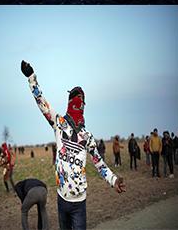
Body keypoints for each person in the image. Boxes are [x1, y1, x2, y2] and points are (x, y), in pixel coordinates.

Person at [20, 61, 124, 230]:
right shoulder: (59, 124)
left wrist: (114, 180)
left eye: (82, 100)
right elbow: (42, 102)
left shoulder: (87, 137)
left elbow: (99, 163)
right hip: (62, 199)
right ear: (72, 102)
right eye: (78, 99)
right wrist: (31, 78)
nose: (80, 103)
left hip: (79, 204)